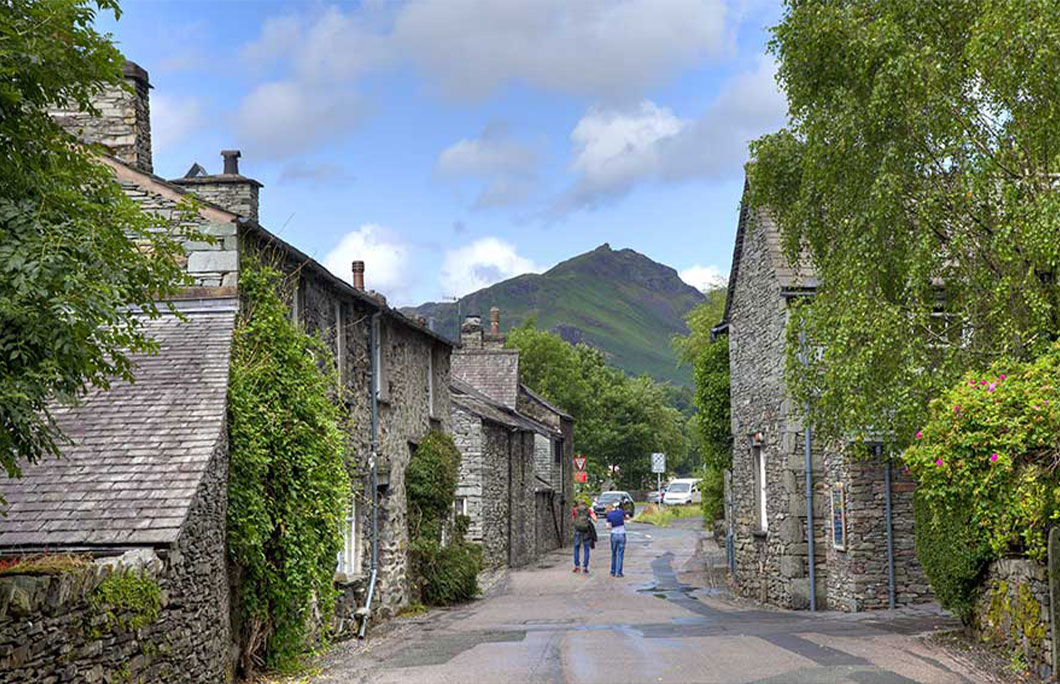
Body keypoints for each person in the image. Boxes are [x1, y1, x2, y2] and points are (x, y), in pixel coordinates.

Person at [571, 498, 597, 573]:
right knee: (586, 549)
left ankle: (577, 566)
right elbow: (595, 519)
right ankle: (585, 567)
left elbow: (572, 521)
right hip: (586, 531)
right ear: (585, 504)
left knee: (576, 548)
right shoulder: (588, 510)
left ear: (578, 504)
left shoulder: (575, 510)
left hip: (577, 530)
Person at [605, 503, 627, 577]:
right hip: (622, 534)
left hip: (614, 534)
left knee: (614, 553)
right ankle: (619, 572)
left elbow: (608, 527)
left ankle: (613, 571)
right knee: (620, 554)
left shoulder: (609, 515)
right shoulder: (620, 511)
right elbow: (627, 517)